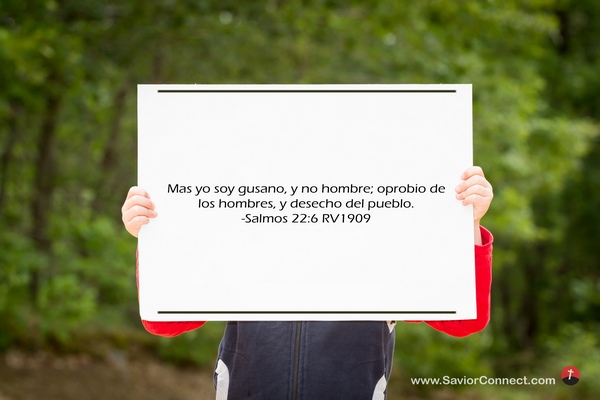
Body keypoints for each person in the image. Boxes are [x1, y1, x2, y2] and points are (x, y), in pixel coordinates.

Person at [121, 166, 493, 400]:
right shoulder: (244, 242)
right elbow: (164, 322)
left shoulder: (384, 250)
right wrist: (153, 236)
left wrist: (468, 224)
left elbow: (465, 320)